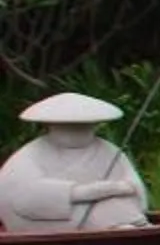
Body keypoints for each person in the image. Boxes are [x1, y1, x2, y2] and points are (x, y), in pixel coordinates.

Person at [0, 93, 149, 232]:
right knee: (104, 212)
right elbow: (21, 195)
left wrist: (122, 188)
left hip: (111, 209)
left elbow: (132, 186)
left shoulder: (108, 150)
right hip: (54, 221)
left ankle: (131, 229)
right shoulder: (31, 154)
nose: (75, 134)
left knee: (116, 208)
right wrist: (86, 192)